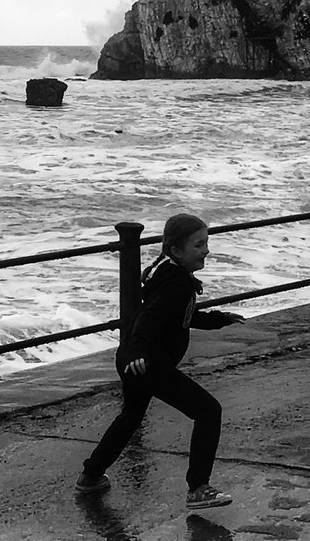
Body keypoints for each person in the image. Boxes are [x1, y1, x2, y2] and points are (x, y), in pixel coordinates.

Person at [75, 213, 244, 511]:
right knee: (208, 411)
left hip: (134, 360)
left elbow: (181, 317)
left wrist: (220, 319)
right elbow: (147, 321)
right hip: (146, 364)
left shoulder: (169, 274)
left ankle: (91, 475)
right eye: (198, 245)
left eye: (206, 242)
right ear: (176, 251)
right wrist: (139, 353)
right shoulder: (176, 285)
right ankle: (198, 489)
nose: (206, 250)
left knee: (130, 417)